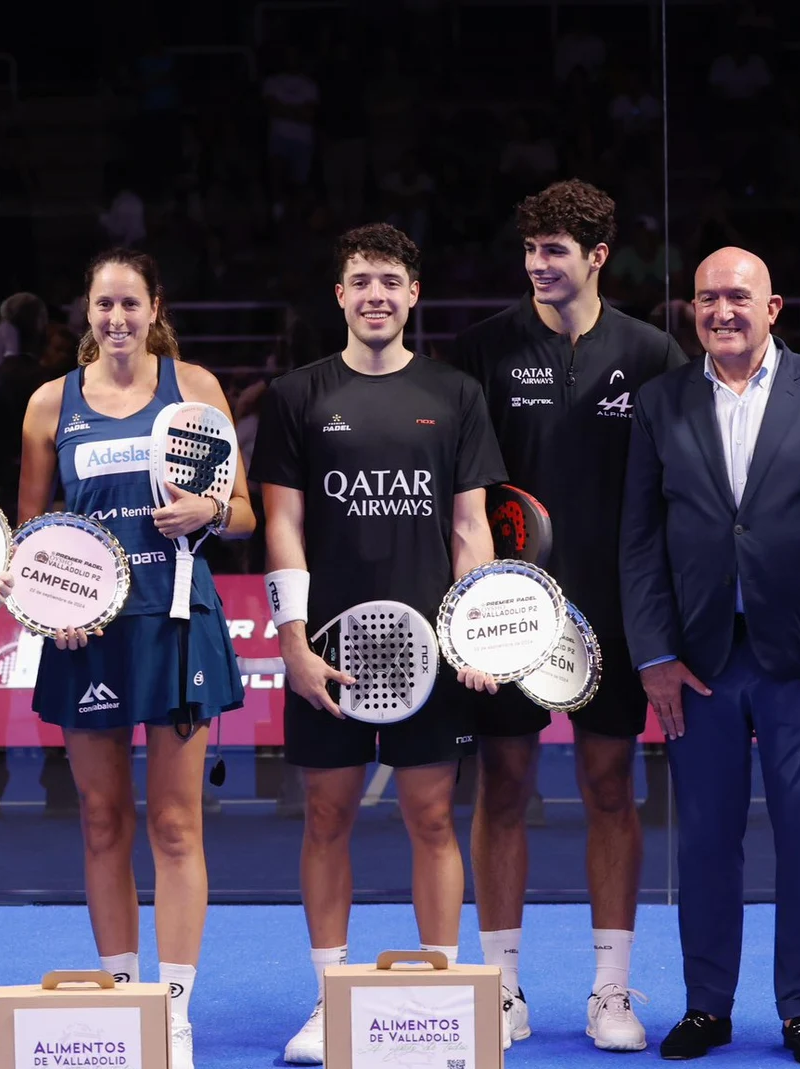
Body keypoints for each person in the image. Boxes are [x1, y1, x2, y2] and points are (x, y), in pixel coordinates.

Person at [448, 180, 800, 1053]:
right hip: (510, 612)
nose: (538, 264)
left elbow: (685, 494)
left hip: (621, 619)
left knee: (612, 789)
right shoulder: (481, 350)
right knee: (505, 787)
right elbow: (466, 492)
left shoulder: (652, 357)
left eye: (556, 249)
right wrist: (471, 602)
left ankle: (611, 989)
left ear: (598, 256)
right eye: (530, 249)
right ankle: (504, 986)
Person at [620, 247, 800, 1067]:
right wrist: (653, 654)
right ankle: (708, 1006)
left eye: (738, 296)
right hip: (696, 661)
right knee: (704, 839)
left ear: (773, 308)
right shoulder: (660, 402)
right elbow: (640, 540)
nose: (721, 310)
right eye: (706, 298)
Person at [254, 224, 506, 1065]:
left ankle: (439, 997)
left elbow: (470, 527)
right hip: (328, 651)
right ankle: (331, 998)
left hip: (429, 654)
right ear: (339, 295)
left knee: (431, 816)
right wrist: (293, 642)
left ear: (413, 294)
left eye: (390, 281)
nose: (375, 295)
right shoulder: (296, 395)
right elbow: (282, 525)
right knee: (326, 816)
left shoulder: (454, 393)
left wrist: (474, 630)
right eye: (361, 280)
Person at [16, 248, 257, 1069]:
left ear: (156, 308)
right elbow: (30, 531)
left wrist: (209, 510)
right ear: (87, 312)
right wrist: (50, 606)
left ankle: (173, 1011)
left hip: (176, 620)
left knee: (176, 821)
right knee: (102, 818)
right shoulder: (50, 404)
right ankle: (123, 998)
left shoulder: (196, 390)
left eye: (130, 303)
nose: (116, 317)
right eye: (103, 304)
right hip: (89, 634)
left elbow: (246, 513)